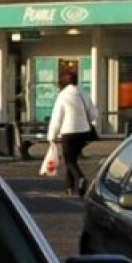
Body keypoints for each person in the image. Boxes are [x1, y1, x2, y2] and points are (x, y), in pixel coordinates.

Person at [46, 69, 99, 197]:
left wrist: (51, 136)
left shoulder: (63, 95)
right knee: (72, 159)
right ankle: (69, 187)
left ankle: (80, 178)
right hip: (84, 132)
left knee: (69, 161)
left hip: (68, 133)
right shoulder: (83, 93)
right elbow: (94, 114)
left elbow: (57, 118)